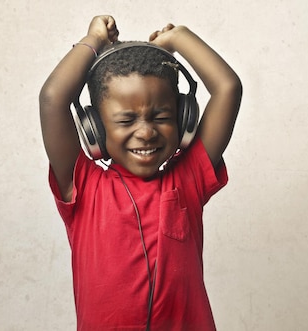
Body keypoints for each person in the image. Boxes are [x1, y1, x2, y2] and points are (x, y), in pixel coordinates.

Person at [39, 15, 242, 330]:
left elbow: (228, 88)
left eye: (161, 116)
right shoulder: (82, 186)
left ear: (184, 118)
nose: (146, 133)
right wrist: (94, 41)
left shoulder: (189, 178)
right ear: (94, 128)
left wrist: (178, 37)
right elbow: (53, 99)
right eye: (126, 120)